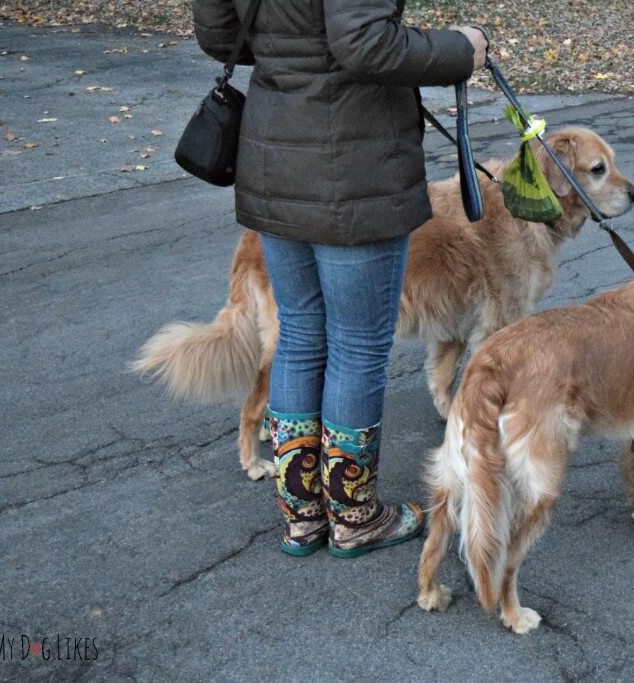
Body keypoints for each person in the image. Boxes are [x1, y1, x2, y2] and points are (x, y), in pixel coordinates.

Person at [193, 0, 488, 558]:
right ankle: (353, 517)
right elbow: (364, 42)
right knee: (356, 345)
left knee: (303, 337)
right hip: (357, 166)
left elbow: (218, 32)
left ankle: (303, 517)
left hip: (275, 158)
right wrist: (463, 48)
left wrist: (295, 54)